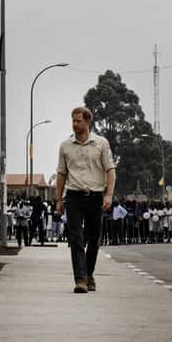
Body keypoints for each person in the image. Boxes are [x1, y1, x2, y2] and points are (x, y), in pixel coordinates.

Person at [56, 106, 116, 294]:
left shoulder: (101, 143)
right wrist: (59, 199)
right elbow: (61, 173)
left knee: (94, 239)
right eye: (73, 121)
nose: (75, 124)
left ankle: (89, 274)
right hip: (73, 197)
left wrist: (108, 195)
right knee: (76, 239)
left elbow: (110, 170)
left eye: (78, 121)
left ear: (88, 122)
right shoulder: (65, 146)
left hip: (95, 196)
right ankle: (80, 279)